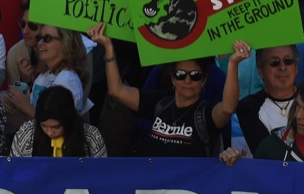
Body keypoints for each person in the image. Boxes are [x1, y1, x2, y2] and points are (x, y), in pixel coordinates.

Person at [93, 22, 251, 157]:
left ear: (204, 81)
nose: (187, 80)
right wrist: (108, 47)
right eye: (180, 74)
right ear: (172, 79)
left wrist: (233, 64)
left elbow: (228, 108)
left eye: (195, 75)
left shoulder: (206, 114)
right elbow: (117, 91)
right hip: (153, 185)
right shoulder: (159, 103)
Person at [5, 24, 91, 120]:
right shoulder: (44, 75)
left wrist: (27, 108)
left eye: (47, 38)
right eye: (39, 37)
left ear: (65, 42)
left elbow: (57, 127)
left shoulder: (67, 80)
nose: (39, 43)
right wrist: (17, 102)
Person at [10, 85, 107, 157]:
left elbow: (100, 175)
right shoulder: (27, 134)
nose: (50, 132)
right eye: (44, 126)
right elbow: (13, 171)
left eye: (56, 127)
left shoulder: (92, 137)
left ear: (68, 120)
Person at [237, 45, 299, 155]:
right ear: (260, 71)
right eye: (274, 62)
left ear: (296, 68)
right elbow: (265, 153)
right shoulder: (247, 106)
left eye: (288, 60)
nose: (282, 67)